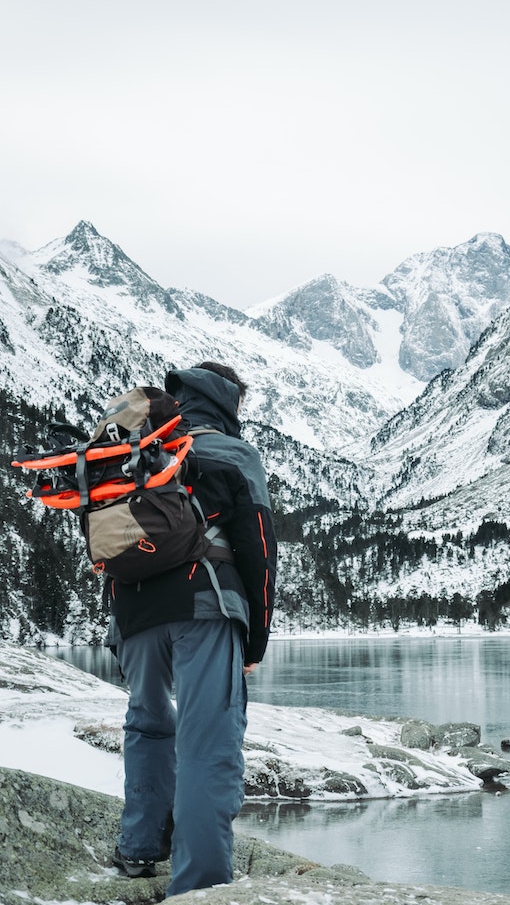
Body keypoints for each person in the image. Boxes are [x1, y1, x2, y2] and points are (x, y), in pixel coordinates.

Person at [107, 361, 277, 897]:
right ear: (230, 402)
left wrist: (120, 626)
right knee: (208, 744)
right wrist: (256, 636)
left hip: (133, 614)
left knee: (148, 724)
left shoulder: (140, 447)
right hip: (205, 605)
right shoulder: (232, 452)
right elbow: (259, 549)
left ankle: (137, 850)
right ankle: (200, 886)